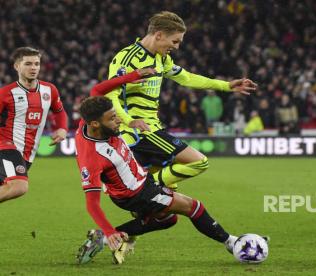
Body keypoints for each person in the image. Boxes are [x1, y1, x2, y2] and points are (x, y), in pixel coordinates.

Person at [75, 72, 265, 264]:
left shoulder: (89, 120)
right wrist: (108, 228)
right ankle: (232, 243)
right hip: (137, 194)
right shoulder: (91, 158)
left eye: (116, 116)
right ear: (95, 124)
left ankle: (107, 238)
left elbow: (97, 90)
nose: (118, 121)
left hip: (141, 177)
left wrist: (132, 76)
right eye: (112, 119)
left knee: (167, 220)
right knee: (193, 207)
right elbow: (92, 204)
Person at [102, 11, 257, 190]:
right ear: (159, 35)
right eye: (175, 41)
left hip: (152, 128)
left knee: (166, 196)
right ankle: (143, 188)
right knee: (199, 162)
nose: (176, 47)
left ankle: (143, 197)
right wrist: (130, 121)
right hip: (139, 132)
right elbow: (110, 95)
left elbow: (186, 78)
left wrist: (227, 86)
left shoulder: (162, 58)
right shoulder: (127, 58)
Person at [0, 47, 68, 203]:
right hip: (6, 146)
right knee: (19, 186)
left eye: (37, 64)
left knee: (7, 188)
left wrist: (62, 128)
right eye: (28, 64)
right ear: (17, 66)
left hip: (28, 152)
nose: (34, 68)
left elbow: (59, 111)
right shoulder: (5, 94)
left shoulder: (49, 90)